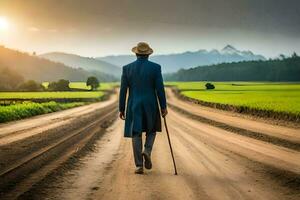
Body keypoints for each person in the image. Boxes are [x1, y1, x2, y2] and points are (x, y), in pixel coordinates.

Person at [119, 42, 168, 174]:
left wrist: (121, 108)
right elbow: (160, 89)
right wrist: (163, 106)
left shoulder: (127, 68)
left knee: (136, 133)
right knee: (151, 130)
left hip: (134, 104)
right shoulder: (156, 68)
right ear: (148, 54)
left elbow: (123, 90)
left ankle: (139, 166)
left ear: (136, 53)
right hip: (151, 104)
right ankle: (147, 150)